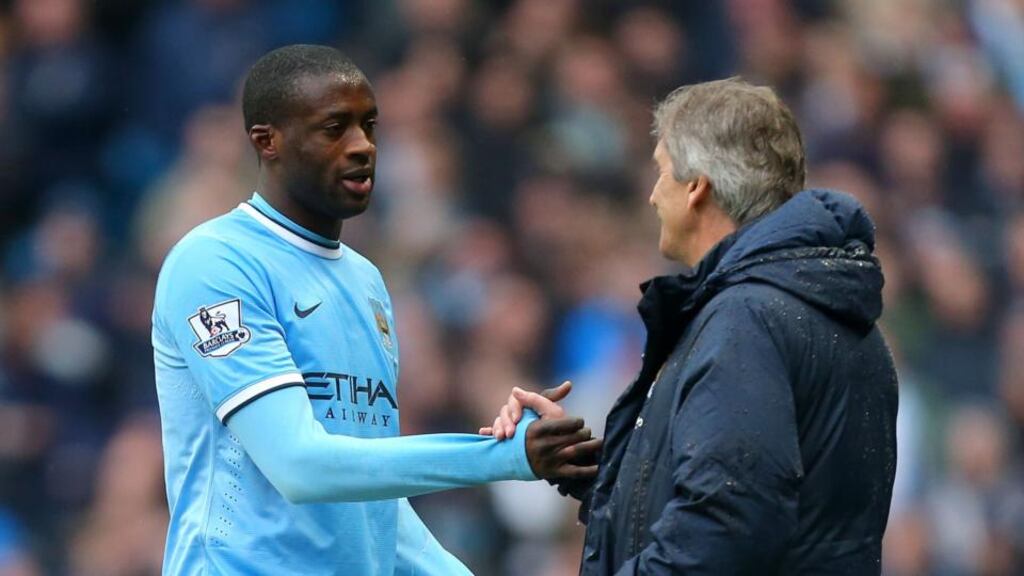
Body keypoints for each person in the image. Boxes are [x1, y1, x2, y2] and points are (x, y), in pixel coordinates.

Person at [150, 44, 599, 576]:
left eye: (369, 126)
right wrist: (504, 458)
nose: (362, 146)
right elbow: (300, 467)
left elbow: (373, 511)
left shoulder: (365, 281)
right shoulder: (216, 262)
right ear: (267, 142)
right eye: (334, 128)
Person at [489, 78, 899, 574]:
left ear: (697, 186)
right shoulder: (821, 307)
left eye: (661, 172)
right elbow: (741, 499)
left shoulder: (746, 319)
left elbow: (726, 523)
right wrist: (580, 461)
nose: (652, 196)